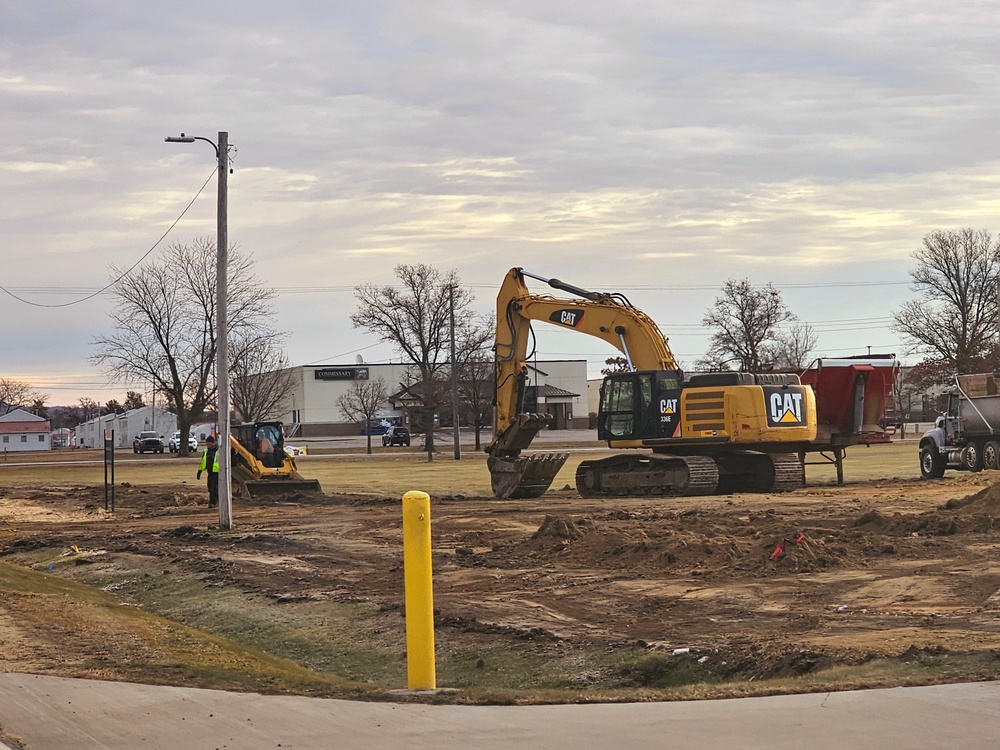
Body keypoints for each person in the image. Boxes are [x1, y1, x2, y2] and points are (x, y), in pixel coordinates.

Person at [197, 434, 220, 508]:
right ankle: (214, 501)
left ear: (212, 443)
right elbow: (203, 462)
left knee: (214, 488)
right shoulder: (206, 451)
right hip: (210, 473)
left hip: (217, 473)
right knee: (210, 488)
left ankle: (214, 502)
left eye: (207, 442)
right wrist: (200, 471)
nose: (206, 444)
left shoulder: (219, 450)